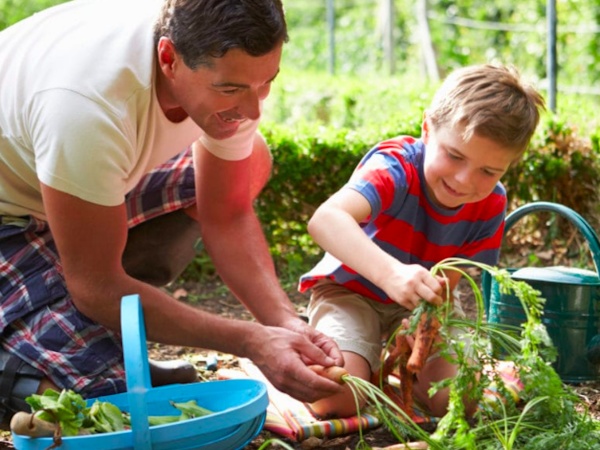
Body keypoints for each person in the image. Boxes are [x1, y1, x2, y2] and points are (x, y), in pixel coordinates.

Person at [0, 0, 344, 427]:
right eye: (231, 89)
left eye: (267, 82)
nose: (254, 109)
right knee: (104, 401)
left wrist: (284, 323)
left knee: (250, 161)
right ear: (168, 58)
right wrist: (252, 341)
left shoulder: (221, 63)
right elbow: (95, 284)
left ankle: (93, 316)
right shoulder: (88, 104)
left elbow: (228, 212)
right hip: (9, 213)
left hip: (69, 180)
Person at [298, 64, 546, 419]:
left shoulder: (491, 204)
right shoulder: (394, 166)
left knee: (458, 402)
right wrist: (391, 275)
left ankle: (390, 365)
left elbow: (449, 284)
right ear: (427, 128)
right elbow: (325, 220)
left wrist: (422, 321)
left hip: (422, 307)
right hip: (350, 292)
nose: (464, 180)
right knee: (335, 398)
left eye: (489, 171)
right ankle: (354, 360)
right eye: (455, 155)